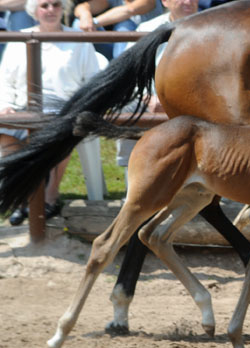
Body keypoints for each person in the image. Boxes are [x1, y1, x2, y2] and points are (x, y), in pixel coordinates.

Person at [0, 0, 102, 225]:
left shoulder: (78, 40)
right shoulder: (19, 38)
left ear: (63, 9)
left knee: (64, 132)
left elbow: (93, 79)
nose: (50, 10)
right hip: (21, 106)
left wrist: (78, 106)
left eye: (56, 4)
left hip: (62, 107)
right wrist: (5, 105)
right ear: (34, 11)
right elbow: (5, 80)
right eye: (44, 5)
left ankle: (50, 195)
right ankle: (23, 198)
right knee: (4, 134)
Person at [115, 0, 199, 183]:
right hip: (152, 99)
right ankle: (133, 185)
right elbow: (131, 72)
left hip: (198, 104)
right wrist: (147, 98)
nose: (188, 1)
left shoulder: (214, 26)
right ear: (165, 1)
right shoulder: (146, 28)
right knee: (127, 112)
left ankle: (215, 189)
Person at [72, 0, 164, 59]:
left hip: (146, 52)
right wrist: (85, 14)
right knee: (78, 24)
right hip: (118, 53)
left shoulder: (151, 1)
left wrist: (93, 23)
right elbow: (81, 7)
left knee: (124, 26)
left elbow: (130, 10)